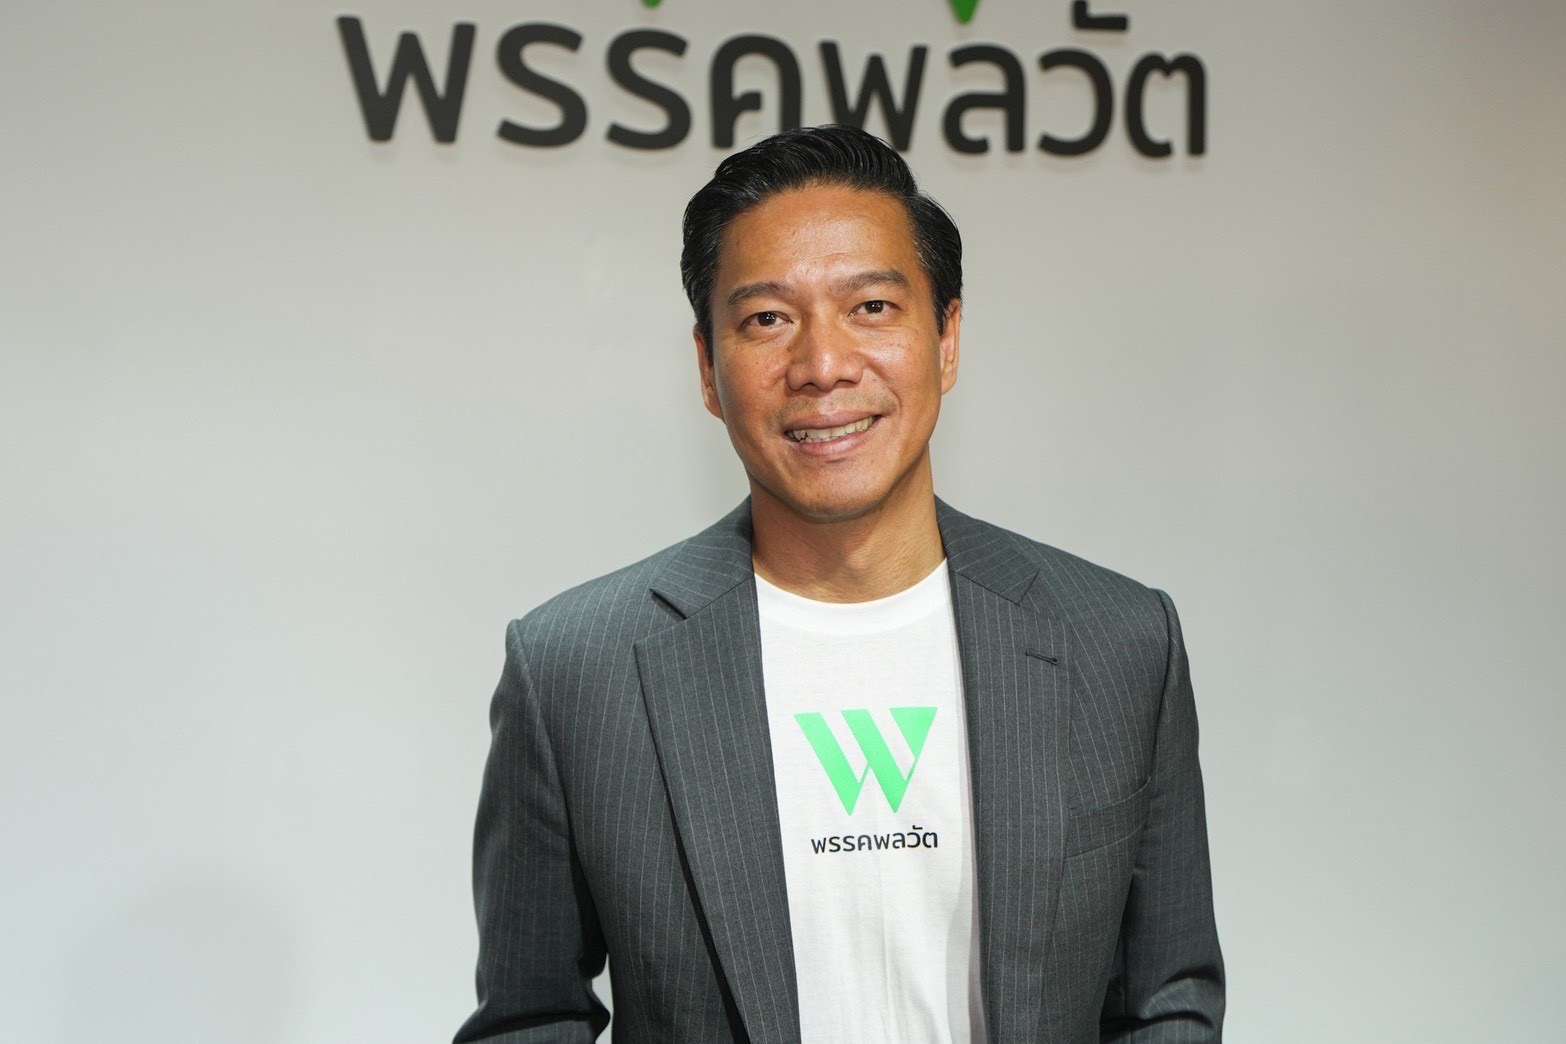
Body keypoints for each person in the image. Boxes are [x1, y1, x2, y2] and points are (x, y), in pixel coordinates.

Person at [454, 123, 1224, 1044]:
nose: (823, 366)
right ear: (707, 368)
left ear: (946, 338)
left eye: (871, 307)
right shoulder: (577, 671)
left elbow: (1165, 1003)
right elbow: (531, 1018)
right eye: (767, 320)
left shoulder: (1118, 641)